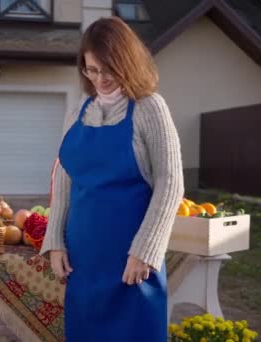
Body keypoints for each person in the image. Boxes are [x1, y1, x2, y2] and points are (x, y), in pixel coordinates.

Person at [39, 16, 184, 341]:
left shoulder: (150, 109)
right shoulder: (78, 112)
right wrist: (55, 242)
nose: (100, 78)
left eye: (108, 69)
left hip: (131, 262)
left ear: (126, 62)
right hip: (84, 261)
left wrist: (145, 251)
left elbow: (171, 184)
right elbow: (64, 180)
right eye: (92, 70)